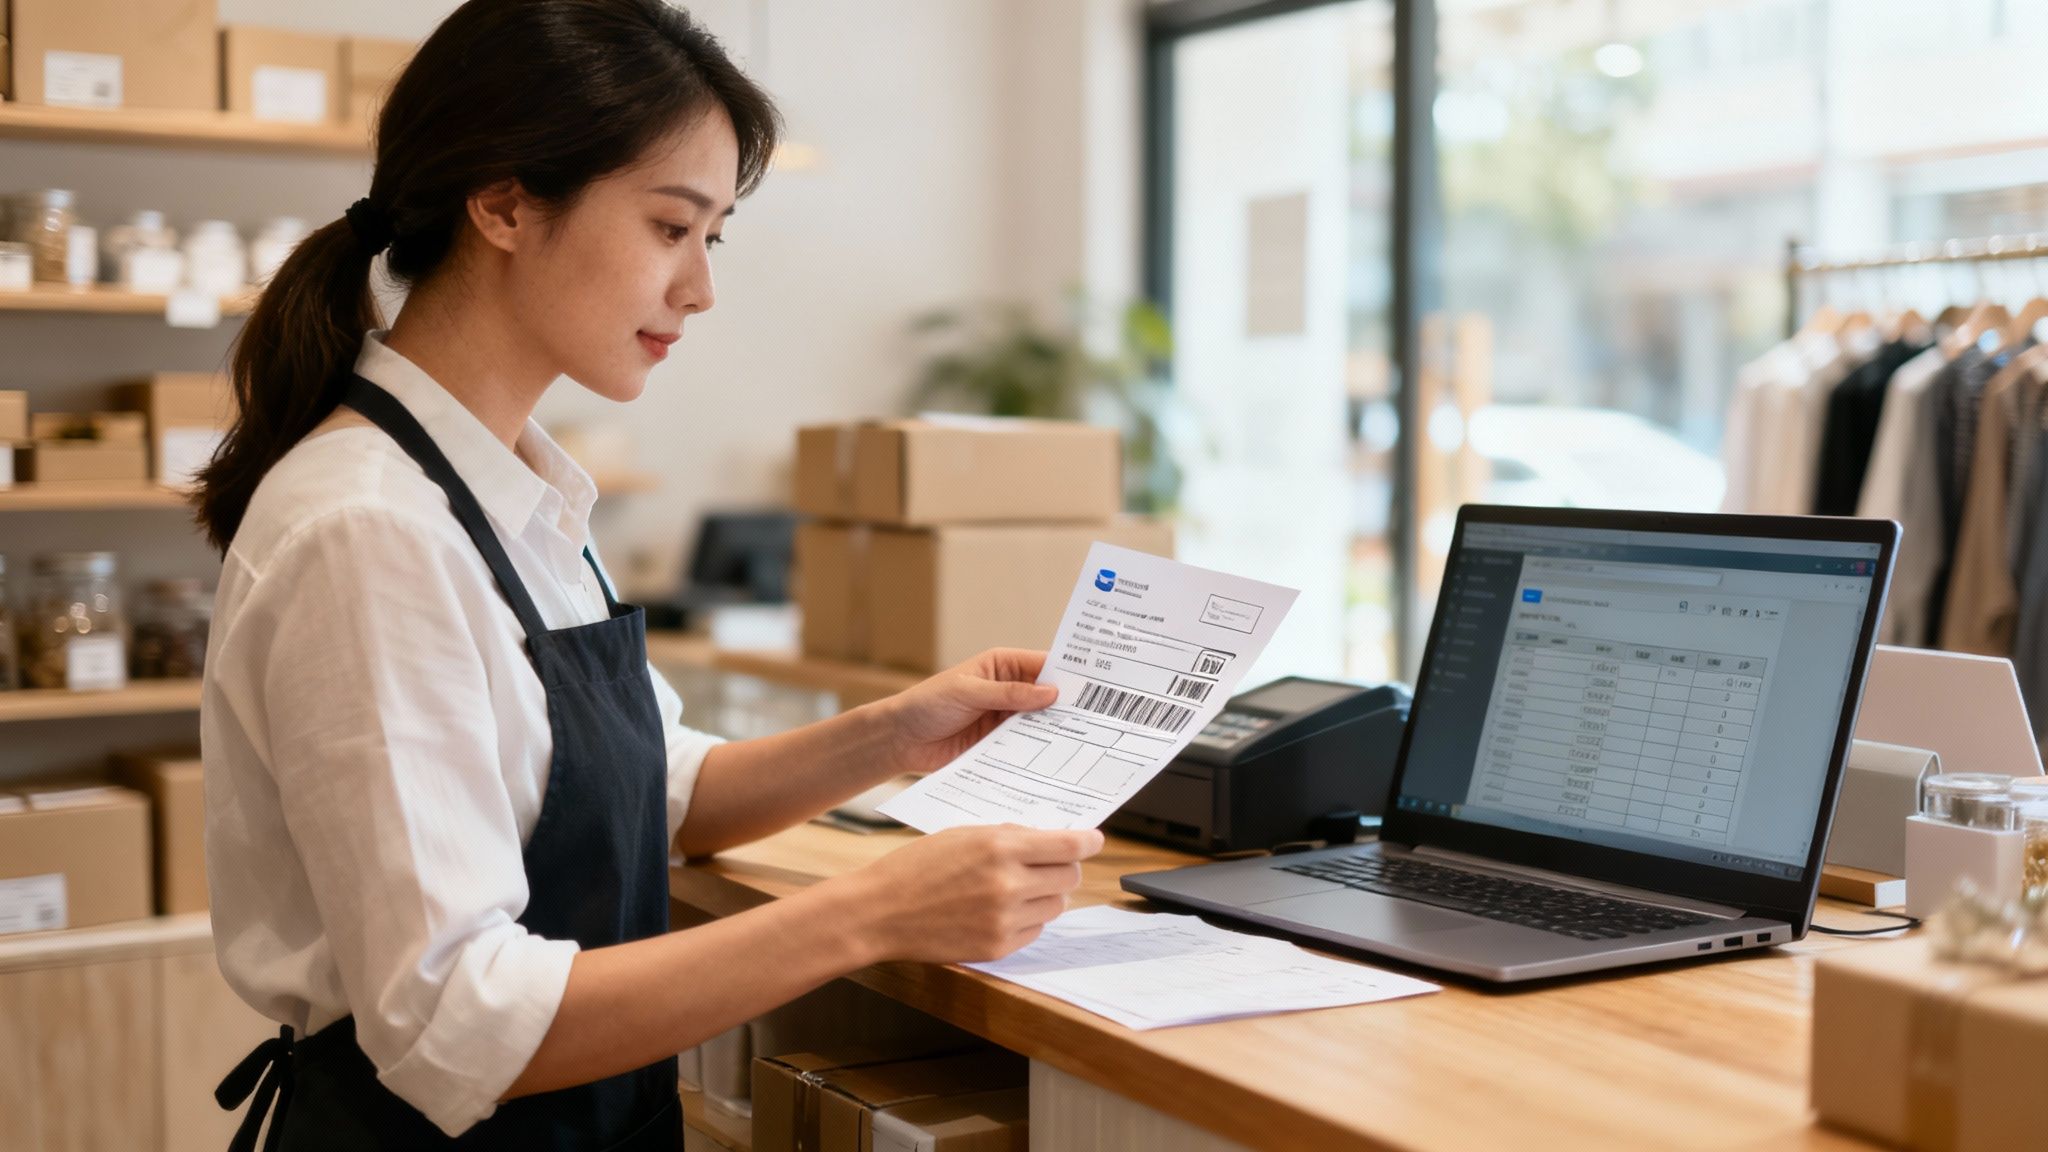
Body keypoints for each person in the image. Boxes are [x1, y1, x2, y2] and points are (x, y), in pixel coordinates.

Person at [194, 3, 1101, 1147]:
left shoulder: (516, 493)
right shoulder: (368, 531)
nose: (699, 289)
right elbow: (454, 1022)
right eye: (672, 227)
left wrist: (891, 735)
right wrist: (867, 914)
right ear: (504, 202)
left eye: (711, 237)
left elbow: (653, 795)